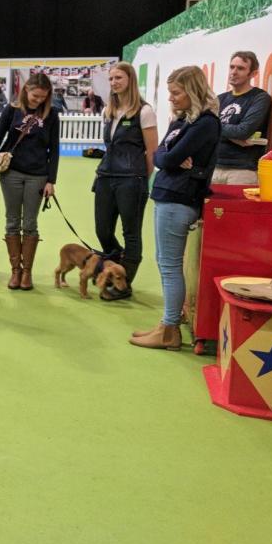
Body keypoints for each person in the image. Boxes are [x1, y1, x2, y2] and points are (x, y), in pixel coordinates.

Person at [131, 66, 221, 350]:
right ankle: (166, 324)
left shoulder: (205, 123)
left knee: (170, 266)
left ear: (192, 91)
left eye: (176, 92)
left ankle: (170, 329)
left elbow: (168, 159)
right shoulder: (183, 120)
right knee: (165, 263)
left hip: (180, 199)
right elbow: (159, 155)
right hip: (169, 195)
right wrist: (168, 157)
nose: (171, 98)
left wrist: (169, 157)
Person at [0, 72, 60, 291]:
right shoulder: (11, 110)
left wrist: (51, 180)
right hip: (11, 173)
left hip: (38, 175)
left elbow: (54, 150)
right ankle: (15, 271)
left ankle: (27, 271)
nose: (38, 100)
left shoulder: (52, 114)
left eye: (42, 97)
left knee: (30, 223)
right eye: (35, 95)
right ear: (26, 89)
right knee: (12, 221)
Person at [93, 62, 158, 299]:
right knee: (102, 229)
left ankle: (124, 283)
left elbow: (152, 151)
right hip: (106, 177)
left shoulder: (144, 111)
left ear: (130, 79)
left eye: (118, 78)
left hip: (132, 179)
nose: (113, 83)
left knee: (131, 232)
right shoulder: (108, 111)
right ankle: (116, 267)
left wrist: (142, 179)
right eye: (111, 79)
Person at [212, 51, 272, 185]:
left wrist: (216, 128)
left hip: (242, 171)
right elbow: (205, 129)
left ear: (253, 74)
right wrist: (232, 136)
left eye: (240, 68)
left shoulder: (260, 98)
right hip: (214, 167)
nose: (233, 72)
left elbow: (243, 131)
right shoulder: (220, 99)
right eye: (232, 67)